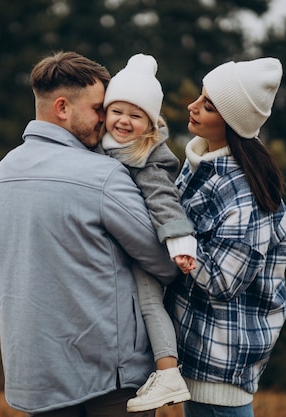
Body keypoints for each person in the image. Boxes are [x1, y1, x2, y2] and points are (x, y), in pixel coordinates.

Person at [0, 51, 179, 417]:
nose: (105, 120)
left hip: (35, 376)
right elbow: (165, 264)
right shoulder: (101, 176)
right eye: (97, 109)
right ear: (62, 108)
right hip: (108, 380)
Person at [165, 57, 286, 417]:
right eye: (200, 97)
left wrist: (179, 245)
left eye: (207, 105)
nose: (192, 107)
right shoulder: (204, 168)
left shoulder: (244, 195)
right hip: (197, 360)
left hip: (219, 369)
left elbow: (224, 280)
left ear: (232, 123)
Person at [98, 53, 196, 412]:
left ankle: (168, 373)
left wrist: (179, 242)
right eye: (117, 111)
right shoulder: (100, 145)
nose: (124, 121)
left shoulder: (149, 156)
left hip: (150, 244)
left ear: (150, 124)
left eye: (136, 115)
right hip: (121, 243)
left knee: (150, 299)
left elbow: (164, 200)